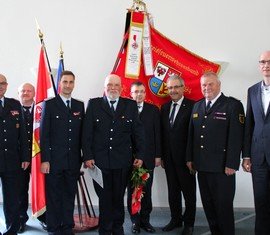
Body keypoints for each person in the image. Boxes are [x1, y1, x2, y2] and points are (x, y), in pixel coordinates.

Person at [82, 74, 145, 235]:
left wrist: (140, 154)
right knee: (104, 199)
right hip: (99, 163)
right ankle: (105, 230)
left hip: (122, 162)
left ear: (122, 87)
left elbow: (137, 132)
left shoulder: (129, 105)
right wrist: (87, 156)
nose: (113, 88)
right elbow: (87, 133)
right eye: (110, 85)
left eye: (117, 85)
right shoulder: (94, 104)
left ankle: (118, 229)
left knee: (118, 198)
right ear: (105, 87)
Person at [186, 71, 244, 235]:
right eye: (204, 85)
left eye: (210, 84)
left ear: (219, 85)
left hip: (222, 168)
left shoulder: (232, 105)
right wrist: (190, 158)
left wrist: (232, 163)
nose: (207, 87)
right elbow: (192, 135)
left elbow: (236, 137)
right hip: (202, 167)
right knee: (209, 207)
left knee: (223, 208)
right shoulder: (197, 106)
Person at [40, 70, 85, 235]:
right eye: (65, 82)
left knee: (68, 195)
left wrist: (85, 157)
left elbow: (83, 135)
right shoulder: (50, 104)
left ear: (74, 84)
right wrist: (45, 160)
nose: (68, 85)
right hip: (54, 161)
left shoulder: (79, 105)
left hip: (73, 161)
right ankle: (53, 228)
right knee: (54, 196)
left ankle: (67, 227)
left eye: (71, 82)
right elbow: (44, 134)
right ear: (60, 83)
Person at [160, 75, 196, 235]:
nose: (173, 91)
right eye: (170, 88)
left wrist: (191, 158)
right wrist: (160, 156)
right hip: (168, 159)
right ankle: (175, 220)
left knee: (189, 193)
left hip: (186, 160)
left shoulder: (193, 106)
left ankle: (189, 223)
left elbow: (194, 135)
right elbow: (162, 134)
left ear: (183, 88)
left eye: (176, 87)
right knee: (173, 192)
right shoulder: (165, 107)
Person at [127, 81, 161, 234]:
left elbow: (157, 135)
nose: (139, 94)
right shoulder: (125, 109)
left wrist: (158, 155)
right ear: (131, 93)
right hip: (129, 159)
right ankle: (135, 221)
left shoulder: (153, 110)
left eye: (141, 91)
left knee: (146, 192)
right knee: (132, 192)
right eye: (136, 92)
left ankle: (145, 221)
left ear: (145, 94)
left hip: (148, 158)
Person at [242, 50, 270, 235]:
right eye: (263, 62)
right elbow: (248, 125)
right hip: (258, 156)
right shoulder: (252, 90)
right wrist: (246, 156)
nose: (266, 65)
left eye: (269, 61)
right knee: (261, 201)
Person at [0, 74, 30, 235]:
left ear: (7, 85)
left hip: (12, 160)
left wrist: (25, 157)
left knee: (12, 198)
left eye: (3, 83)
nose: (0, 86)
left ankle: (11, 230)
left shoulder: (15, 104)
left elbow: (23, 134)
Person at [17, 83, 47, 233]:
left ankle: (44, 218)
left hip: (39, 158)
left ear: (35, 93)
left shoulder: (42, 109)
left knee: (43, 188)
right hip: (19, 159)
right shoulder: (12, 110)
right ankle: (21, 219)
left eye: (29, 90)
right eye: (23, 90)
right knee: (20, 191)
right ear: (18, 93)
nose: (26, 93)